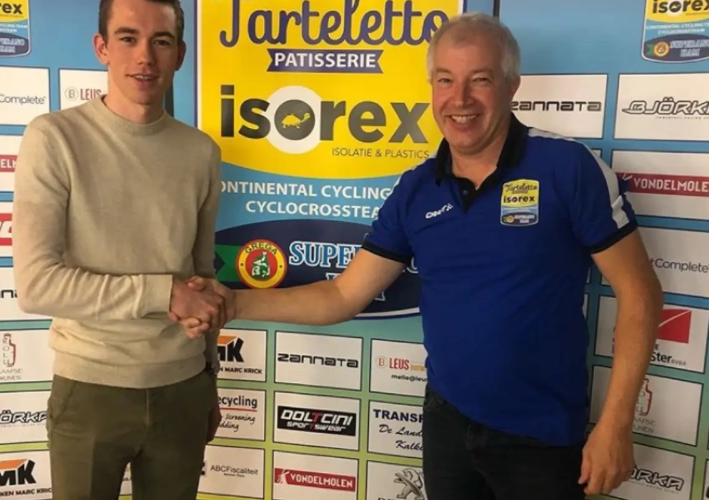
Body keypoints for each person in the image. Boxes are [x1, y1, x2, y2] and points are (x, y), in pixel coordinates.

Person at [178, 12, 665, 500]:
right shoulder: (416, 188)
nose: (460, 99)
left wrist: (615, 425)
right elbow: (343, 295)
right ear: (431, 87)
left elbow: (639, 293)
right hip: (447, 428)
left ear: (511, 86)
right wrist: (234, 302)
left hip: (541, 438)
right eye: (446, 80)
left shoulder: (568, 168)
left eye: (480, 80)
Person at [11, 0, 226, 498]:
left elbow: (201, 279)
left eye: (161, 41)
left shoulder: (201, 152)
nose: (145, 57)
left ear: (180, 55)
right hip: (91, 390)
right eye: (128, 38)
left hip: (183, 387)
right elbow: (36, 285)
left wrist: (210, 378)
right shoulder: (54, 138)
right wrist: (164, 293)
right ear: (102, 48)